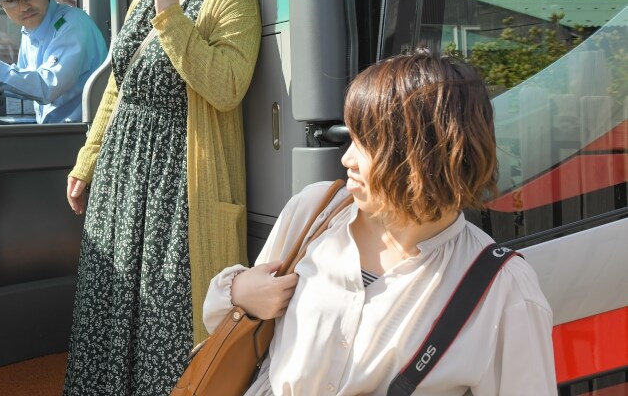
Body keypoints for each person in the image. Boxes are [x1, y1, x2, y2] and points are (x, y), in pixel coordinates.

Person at [203, 50, 557, 395]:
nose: (347, 158)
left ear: (422, 156)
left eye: (366, 143)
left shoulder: (505, 288)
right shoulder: (316, 212)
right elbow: (224, 326)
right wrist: (239, 293)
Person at [63, 0, 262, 395]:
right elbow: (118, 87)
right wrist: (88, 160)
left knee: (167, 324)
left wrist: (173, 17)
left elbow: (226, 86)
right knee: (112, 313)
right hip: (122, 188)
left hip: (178, 199)